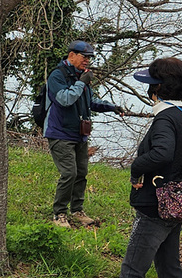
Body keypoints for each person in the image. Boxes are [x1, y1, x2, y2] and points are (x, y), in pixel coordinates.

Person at [120, 58, 182, 278]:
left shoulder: (164, 119)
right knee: (169, 268)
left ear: (159, 88)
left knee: (132, 270)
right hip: (173, 201)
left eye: (151, 84)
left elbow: (163, 153)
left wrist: (136, 168)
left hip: (155, 204)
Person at [44, 40, 124, 228]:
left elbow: (90, 101)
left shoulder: (81, 76)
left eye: (89, 58)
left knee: (81, 173)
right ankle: (59, 214)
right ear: (71, 55)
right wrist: (81, 83)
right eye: (84, 56)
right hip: (60, 132)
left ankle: (77, 210)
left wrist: (111, 107)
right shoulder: (57, 75)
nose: (87, 60)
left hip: (79, 133)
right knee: (69, 173)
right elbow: (65, 99)